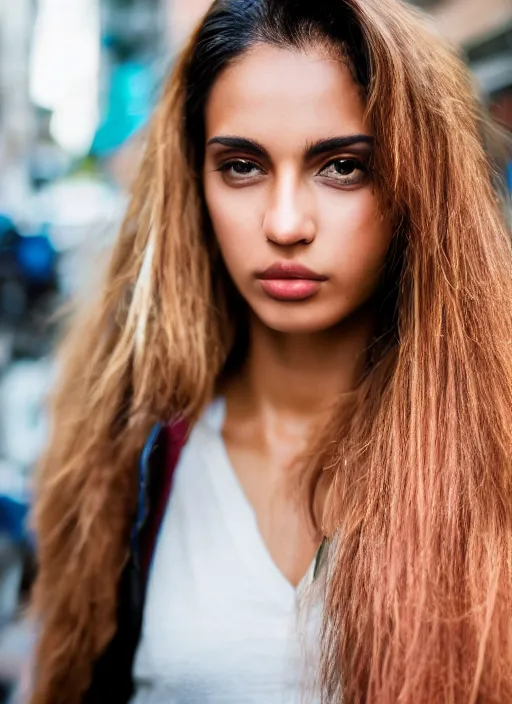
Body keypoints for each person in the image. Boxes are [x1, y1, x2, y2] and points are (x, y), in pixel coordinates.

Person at [28, 0, 512, 702]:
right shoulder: (125, 454)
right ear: (192, 185)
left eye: (344, 166)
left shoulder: (494, 448)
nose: (286, 223)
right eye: (243, 166)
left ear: (418, 187)